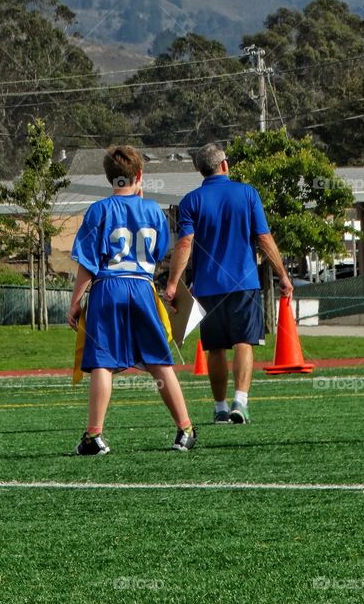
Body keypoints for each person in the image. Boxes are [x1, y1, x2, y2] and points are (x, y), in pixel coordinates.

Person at [67, 145, 196, 455]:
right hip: (141, 287)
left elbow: (88, 262)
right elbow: (156, 253)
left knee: (102, 362)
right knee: (158, 361)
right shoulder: (153, 210)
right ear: (139, 176)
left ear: (110, 177)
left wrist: (76, 300)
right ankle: (185, 429)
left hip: (107, 287)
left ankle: (94, 436)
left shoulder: (98, 210)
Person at [164, 143, 293, 425]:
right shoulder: (247, 194)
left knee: (215, 348)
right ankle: (240, 403)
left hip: (208, 288)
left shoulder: (190, 201)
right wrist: (282, 274)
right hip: (244, 283)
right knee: (244, 342)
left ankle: (220, 408)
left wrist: (174, 282)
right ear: (224, 164)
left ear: (201, 170)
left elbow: (185, 243)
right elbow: (264, 238)